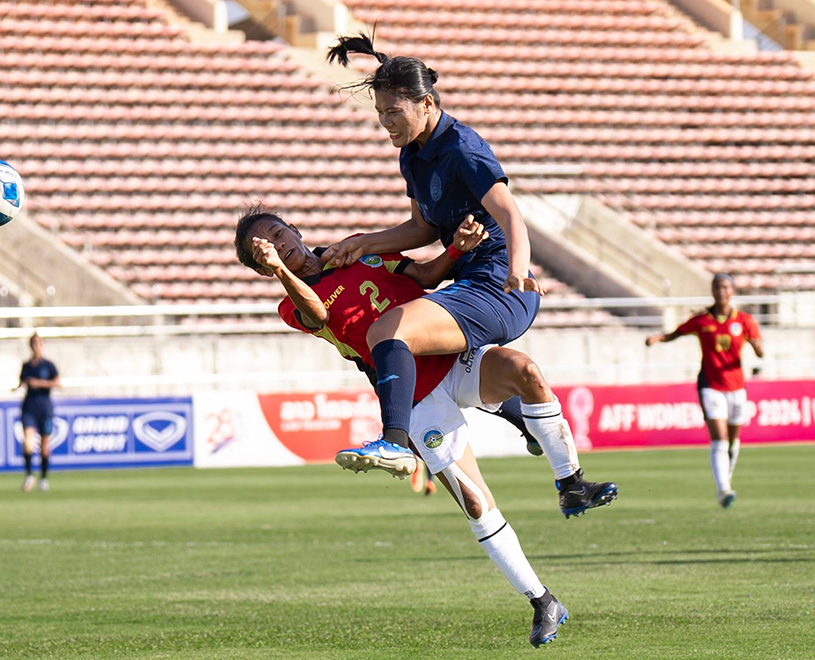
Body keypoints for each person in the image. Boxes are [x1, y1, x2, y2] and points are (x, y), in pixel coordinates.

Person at [235, 208, 587, 647]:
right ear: (263, 268)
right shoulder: (291, 302)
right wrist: (284, 271)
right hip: (413, 397)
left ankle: (568, 478)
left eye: (276, 232)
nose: (275, 242)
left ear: (295, 229)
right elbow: (317, 314)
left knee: (524, 369)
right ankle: (542, 600)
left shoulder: (357, 248)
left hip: (452, 353)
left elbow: (424, 277)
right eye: (262, 247)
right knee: (476, 504)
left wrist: (456, 249)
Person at [319, 33, 551, 470]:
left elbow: (511, 215)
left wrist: (519, 267)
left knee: (391, 332)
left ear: (425, 103)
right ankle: (538, 431)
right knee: (436, 361)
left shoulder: (464, 148)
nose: (386, 122)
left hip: (496, 281)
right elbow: (422, 227)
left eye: (394, 111)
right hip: (464, 277)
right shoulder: (411, 154)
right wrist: (360, 242)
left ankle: (395, 442)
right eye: (380, 113)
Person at [646, 274, 763, 508]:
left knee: (732, 440)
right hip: (710, 385)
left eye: (726, 286)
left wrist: (758, 348)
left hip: (737, 387)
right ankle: (723, 490)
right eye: (717, 286)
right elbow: (676, 333)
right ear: (712, 290)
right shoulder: (702, 320)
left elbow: (760, 349)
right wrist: (658, 337)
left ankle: (725, 479)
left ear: (732, 291)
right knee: (719, 439)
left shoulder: (745, 320)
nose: (721, 290)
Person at [16, 333, 61, 492]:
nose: (36, 346)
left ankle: (43, 478)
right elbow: (21, 381)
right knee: (28, 442)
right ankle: (29, 475)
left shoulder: (49, 365)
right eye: (33, 343)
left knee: (44, 445)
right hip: (29, 407)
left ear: (42, 345)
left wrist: (40, 383)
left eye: (39, 343)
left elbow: (58, 383)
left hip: (45, 407)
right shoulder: (27, 365)